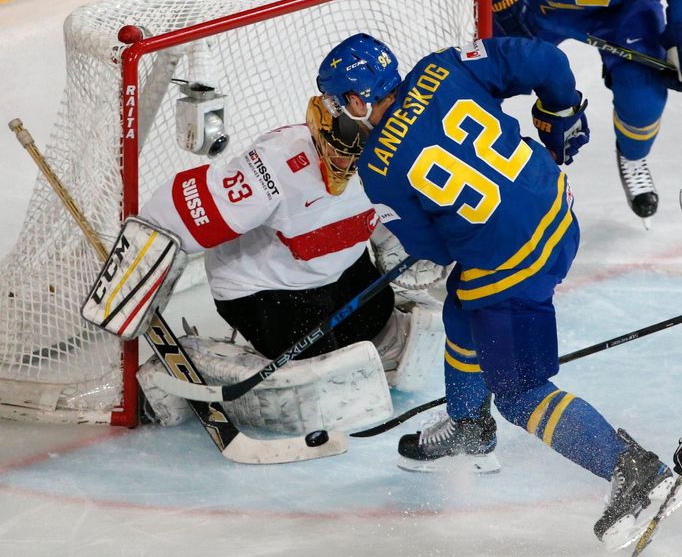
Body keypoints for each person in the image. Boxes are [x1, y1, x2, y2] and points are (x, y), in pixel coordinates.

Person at [315, 33, 680, 549]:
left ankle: (634, 472)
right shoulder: (441, 67)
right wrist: (559, 113)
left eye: (337, 101)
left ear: (357, 99)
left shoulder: (377, 169)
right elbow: (548, 60)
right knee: (465, 302)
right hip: (557, 211)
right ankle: (468, 425)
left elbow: (437, 251)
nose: (338, 112)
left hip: (514, 268)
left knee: (518, 393)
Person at [95, 94, 448, 436]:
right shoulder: (276, 166)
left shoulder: (396, 144)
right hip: (265, 291)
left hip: (340, 269)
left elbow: (389, 204)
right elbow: (178, 212)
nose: (348, 164)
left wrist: (399, 242)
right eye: (340, 153)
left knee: (395, 337)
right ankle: (200, 362)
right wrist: (126, 283)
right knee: (321, 394)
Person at [492, 0, 671, 225]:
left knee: (643, 98)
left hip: (624, 10)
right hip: (530, 9)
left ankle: (632, 156)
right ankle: (476, 172)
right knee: (479, 81)